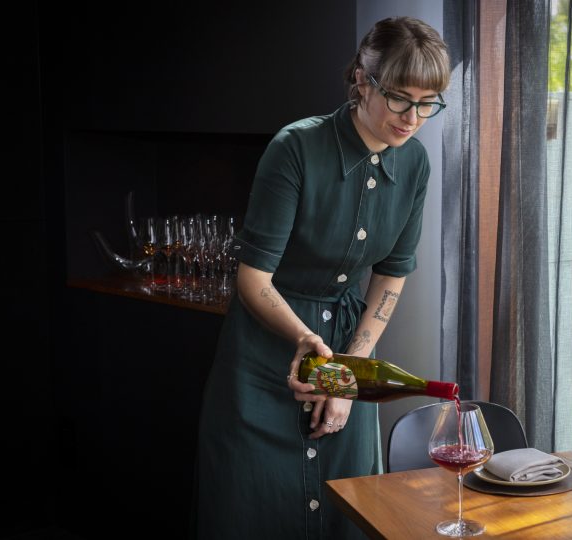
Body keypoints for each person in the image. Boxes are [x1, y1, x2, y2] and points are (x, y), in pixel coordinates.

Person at [192, 16, 450, 540]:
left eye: (429, 103)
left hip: (346, 350)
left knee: (350, 510)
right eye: (400, 98)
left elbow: (391, 277)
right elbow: (253, 278)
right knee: (249, 510)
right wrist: (308, 342)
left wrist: (348, 374)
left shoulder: (416, 164)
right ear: (361, 79)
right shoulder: (296, 148)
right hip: (263, 357)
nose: (413, 117)